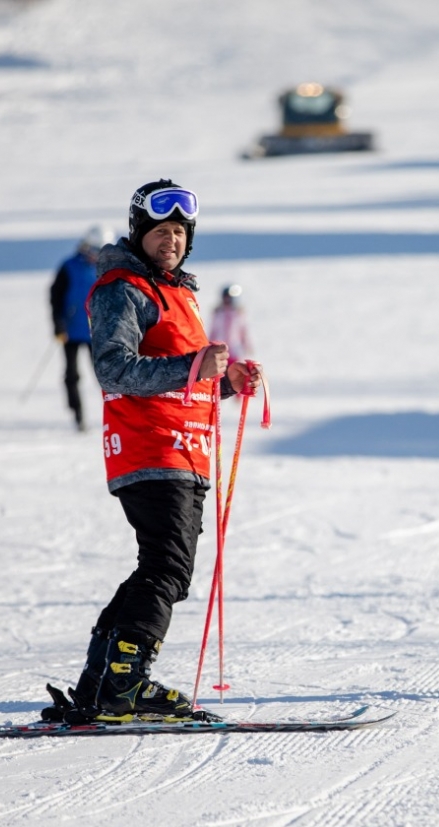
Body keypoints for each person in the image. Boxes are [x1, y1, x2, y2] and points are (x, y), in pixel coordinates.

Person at [58, 179, 262, 722]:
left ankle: (101, 683)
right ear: (138, 234)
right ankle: (125, 686)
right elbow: (113, 368)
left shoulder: (178, 292)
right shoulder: (122, 290)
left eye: (178, 232)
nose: (169, 240)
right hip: (152, 448)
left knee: (158, 568)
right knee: (167, 570)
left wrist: (226, 382)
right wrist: (194, 367)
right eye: (159, 231)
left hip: (183, 451)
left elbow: (183, 377)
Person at [49, 225, 114, 431]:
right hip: (71, 331)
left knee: (105, 374)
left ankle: (114, 414)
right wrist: (59, 326)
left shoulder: (110, 269)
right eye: (93, 250)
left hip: (98, 333)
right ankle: (77, 415)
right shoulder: (69, 266)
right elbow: (55, 297)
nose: (95, 255)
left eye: (100, 251)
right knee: (72, 374)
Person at [207, 284, 253, 362]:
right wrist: (208, 345)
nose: (227, 300)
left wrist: (246, 345)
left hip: (234, 348)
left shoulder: (238, 313)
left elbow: (242, 331)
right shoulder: (218, 313)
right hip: (220, 347)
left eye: (229, 298)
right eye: (225, 297)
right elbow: (213, 331)